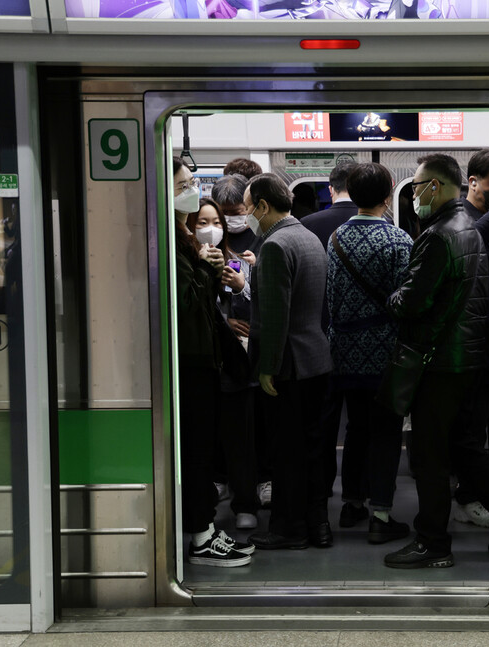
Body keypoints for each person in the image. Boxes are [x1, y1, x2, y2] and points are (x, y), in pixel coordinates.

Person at [382, 154, 489, 569]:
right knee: (468, 449)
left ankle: (433, 543)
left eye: (416, 187)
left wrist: (393, 297)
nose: (414, 195)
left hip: (439, 363)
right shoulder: (468, 229)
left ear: (436, 186)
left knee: (429, 457)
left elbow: (413, 302)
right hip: (470, 358)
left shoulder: (438, 236)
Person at [244, 173, 334, 550]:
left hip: (288, 365)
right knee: (314, 449)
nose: (248, 215)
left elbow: (275, 316)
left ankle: (288, 528)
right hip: (317, 359)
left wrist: (267, 367)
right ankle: (318, 524)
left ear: (264, 206)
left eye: (249, 208)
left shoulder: (275, 245)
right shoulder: (309, 238)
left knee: (286, 452)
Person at [326, 163, 414, 543]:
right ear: (389, 193)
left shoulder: (336, 239)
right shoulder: (399, 241)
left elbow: (331, 300)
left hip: (343, 352)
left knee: (356, 427)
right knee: (387, 431)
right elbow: (403, 304)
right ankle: (380, 514)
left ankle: (352, 503)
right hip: (385, 355)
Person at [172, 158, 252, 567]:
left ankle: (203, 525)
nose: (190, 189)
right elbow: (184, 307)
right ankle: (200, 534)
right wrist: (206, 269)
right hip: (189, 360)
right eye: (184, 184)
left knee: (204, 447)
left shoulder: (186, 240)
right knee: (197, 449)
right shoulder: (173, 243)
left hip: (203, 357)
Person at [186, 198, 260, 530]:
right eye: (201, 223)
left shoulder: (237, 263)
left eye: (215, 222)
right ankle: (211, 497)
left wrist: (242, 287)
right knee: (205, 440)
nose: (210, 229)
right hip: (201, 365)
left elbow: (253, 313)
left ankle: (246, 501)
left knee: (239, 437)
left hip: (231, 364)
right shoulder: (187, 263)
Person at [452, 149, 489, 529]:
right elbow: (470, 243)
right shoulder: (463, 219)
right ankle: (471, 496)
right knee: (472, 430)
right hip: (475, 342)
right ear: (472, 182)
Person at [301, 161, 360, 499]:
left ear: (330, 188)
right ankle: (356, 497)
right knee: (360, 424)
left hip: (316, 339)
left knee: (321, 424)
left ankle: (320, 494)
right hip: (365, 344)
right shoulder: (385, 227)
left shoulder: (307, 225)